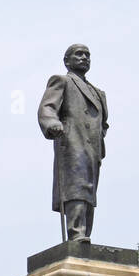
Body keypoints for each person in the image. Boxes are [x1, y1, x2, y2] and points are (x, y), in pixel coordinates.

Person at [37, 44, 108, 242]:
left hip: (93, 149)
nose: (84, 58)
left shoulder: (98, 93)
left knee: (89, 192)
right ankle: (76, 233)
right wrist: (52, 123)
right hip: (72, 143)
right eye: (79, 54)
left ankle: (85, 234)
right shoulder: (62, 81)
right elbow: (47, 108)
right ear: (67, 61)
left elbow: (104, 123)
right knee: (75, 187)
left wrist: (101, 137)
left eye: (87, 55)